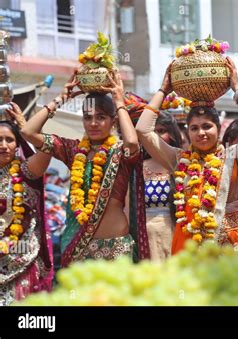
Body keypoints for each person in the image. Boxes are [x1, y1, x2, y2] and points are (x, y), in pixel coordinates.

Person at [21, 71, 150, 266]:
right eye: (87, 117)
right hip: (79, 248)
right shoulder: (72, 150)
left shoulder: (120, 153)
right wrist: (60, 98)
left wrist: (118, 101)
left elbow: (132, 141)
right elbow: (28, 132)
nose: (93, 123)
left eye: (101, 117)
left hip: (116, 248)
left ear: (113, 121)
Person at [136, 58, 238, 254]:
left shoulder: (235, 156)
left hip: (229, 246)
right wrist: (163, 90)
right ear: (187, 133)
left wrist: (237, 88)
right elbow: (143, 130)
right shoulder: (178, 160)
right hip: (191, 247)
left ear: (219, 129)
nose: (201, 133)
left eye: (207, 126)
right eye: (194, 128)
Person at [0, 109, 53, 305]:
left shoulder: (25, 171)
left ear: (18, 144)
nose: (4, 145)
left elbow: (47, 150)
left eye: (9, 140)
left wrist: (24, 126)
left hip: (23, 262)